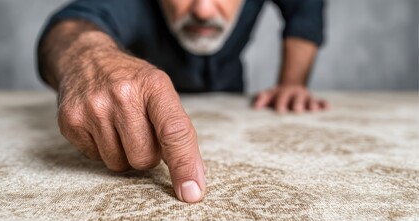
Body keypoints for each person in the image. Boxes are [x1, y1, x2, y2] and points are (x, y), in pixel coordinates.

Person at [37, 0, 328, 203]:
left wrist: (293, 83)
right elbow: (71, 25)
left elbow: (305, 8)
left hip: (232, 94)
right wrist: (88, 57)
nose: (202, 10)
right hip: (138, 112)